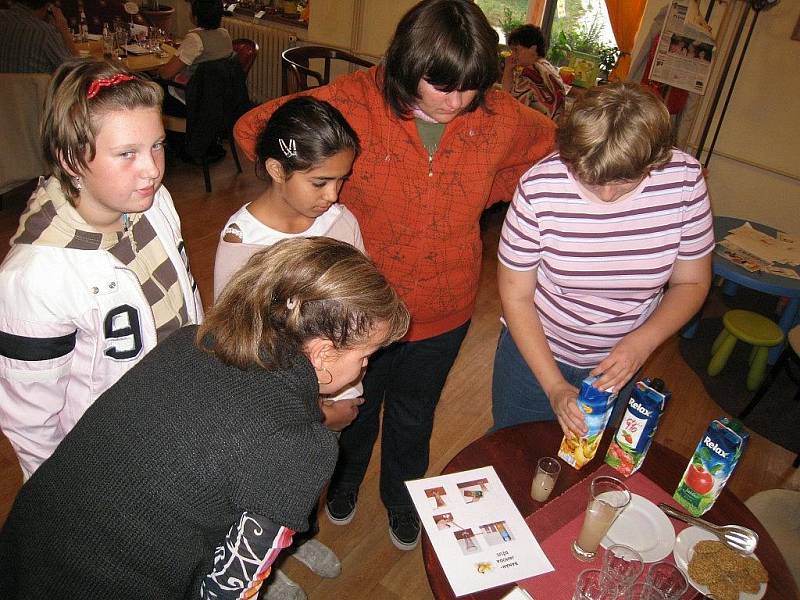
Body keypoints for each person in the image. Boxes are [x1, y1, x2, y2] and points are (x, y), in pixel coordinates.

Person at [234, 0, 556, 551]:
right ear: (408, 64)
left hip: (445, 306)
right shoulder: (352, 103)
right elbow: (255, 129)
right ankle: (343, 481)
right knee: (353, 411)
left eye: (471, 88)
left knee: (414, 416)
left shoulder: (497, 115)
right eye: (442, 86)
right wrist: (323, 207)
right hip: (357, 311)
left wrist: (485, 192)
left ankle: (403, 499)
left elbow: (548, 147)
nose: (457, 102)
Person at [0, 237, 411, 600]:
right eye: (366, 356)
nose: (365, 369)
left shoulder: (190, 342)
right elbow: (227, 587)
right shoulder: (302, 449)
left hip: (22, 551)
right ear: (322, 354)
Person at [0, 59, 203, 479]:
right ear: (72, 161)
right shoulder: (33, 278)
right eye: (127, 153)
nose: (152, 169)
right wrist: (61, 496)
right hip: (110, 456)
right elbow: (31, 423)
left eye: (157, 145)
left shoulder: (153, 202)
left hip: (177, 409)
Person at [492, 82, 714, 437]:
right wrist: (554, 386)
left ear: (654, 160)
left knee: (590, 458)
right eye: (592, 180)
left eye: (624, 181)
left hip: (619, 363)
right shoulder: (539, 187)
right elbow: (516, 295)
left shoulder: (684, 181)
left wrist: (641, 343)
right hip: (534, 351)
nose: (608, 196)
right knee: (514, 449)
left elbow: (692, 282)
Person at [214, 96, 364, 599]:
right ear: (277, 169)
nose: (334, 194)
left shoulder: (339, 220)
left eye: (341, 179)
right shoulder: (243, 244)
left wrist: (345, 385)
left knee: (313, 474)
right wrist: (315, 407)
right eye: (320, 182)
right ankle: (266, 567)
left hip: (336, 382)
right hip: (274, 400)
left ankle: (296, 538)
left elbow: (356, 306)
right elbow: (242, 347)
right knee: (266, 490)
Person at [158, 0, 233, 116]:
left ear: (196, 17)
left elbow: (166, 74)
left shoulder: (195, 39)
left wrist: (157, 70)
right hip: (218, 96)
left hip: (192, 97)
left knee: (153, 81)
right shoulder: (225, 34)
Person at [501, 24, 567, 120]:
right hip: (551, 129)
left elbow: (506, 102)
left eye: (516, 50)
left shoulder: (531, 73)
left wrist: (507, 70)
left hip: (538, 131)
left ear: (533, 49)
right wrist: (509, 68)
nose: (512, 55)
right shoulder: (547, 67)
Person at [0, 0, 77, 73]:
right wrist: (64, 32)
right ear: (49, 7)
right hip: (32, 86)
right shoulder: (45, 34)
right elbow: (78, 74)